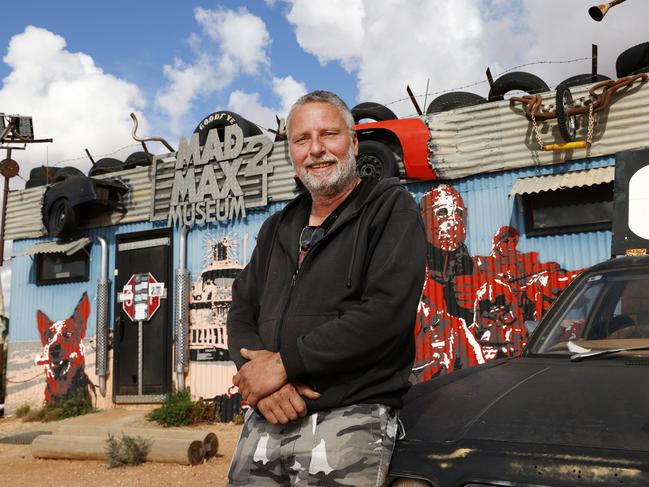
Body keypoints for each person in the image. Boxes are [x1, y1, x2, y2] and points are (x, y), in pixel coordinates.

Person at [226, 90, 426, 486]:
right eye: (302, 139)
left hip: (349, 416)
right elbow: (241, 309)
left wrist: (282, 367)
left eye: (328, 134)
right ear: (292, 154)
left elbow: (385, 313)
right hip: (267, 414)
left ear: (353, 143)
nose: (316, 150)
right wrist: (261, 379)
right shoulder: (278, 227)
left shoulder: (391, 208)